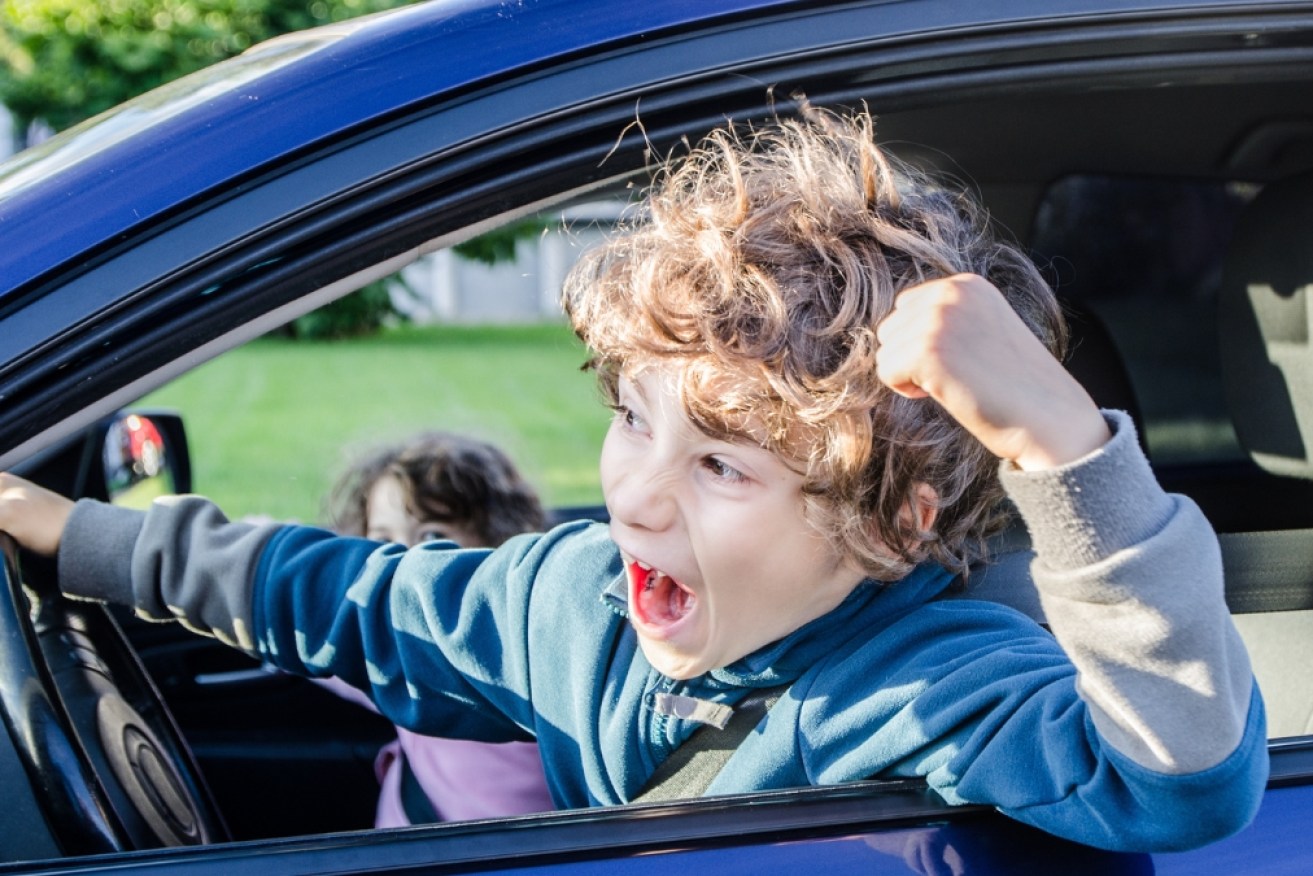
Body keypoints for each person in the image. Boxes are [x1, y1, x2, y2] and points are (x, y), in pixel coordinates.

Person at [0, 105, 1266, 852]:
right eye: (630, 420)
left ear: (889, 525)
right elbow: (348, 596)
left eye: (719, 463)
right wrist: (76, 536)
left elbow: (1181, 778)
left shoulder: (938, 682)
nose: (636, 498)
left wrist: (1063, 451)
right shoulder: (571, 597)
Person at [317, 432, 554, 826]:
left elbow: (315, 625)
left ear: (497, 542)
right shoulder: (393, 633)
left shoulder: (437, 648)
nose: (404, 560)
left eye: (433, 537)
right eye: (382, 539)